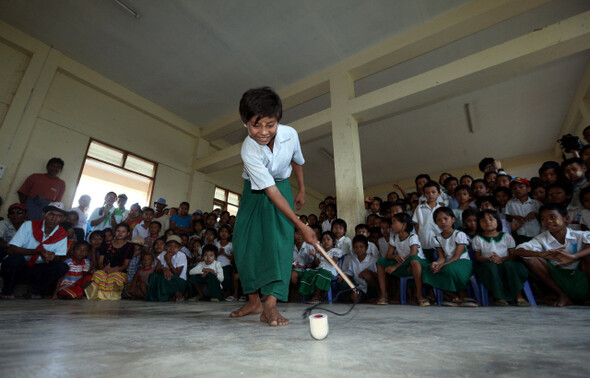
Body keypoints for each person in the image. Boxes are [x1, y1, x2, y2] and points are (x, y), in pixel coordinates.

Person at [231, 87, 317, 326]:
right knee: (243, 243)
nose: (263, 132)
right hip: (254, 190)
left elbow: (296, 160)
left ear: (278, 121)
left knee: (279, 242)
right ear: (245, 123)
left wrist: (301, 189)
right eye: (256, 125)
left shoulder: (290, 134)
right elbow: (268, 191)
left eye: (270, 124)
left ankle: (269, 305)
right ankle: (253, 300)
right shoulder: (249, 149)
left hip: (282, 186)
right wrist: (301, 226)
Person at [512, 203, 590, 306]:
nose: (548, 221)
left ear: (566, 218)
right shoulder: (541, 238)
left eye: (552, 217)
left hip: (581, 277)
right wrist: (541, 254)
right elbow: (519, 250)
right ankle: (562, 295)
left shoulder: (579, 235)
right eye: (543, 219)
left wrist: (574, 256)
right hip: (557, 278)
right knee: (530, 258)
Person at [1, 202, 69, 299]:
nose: (54, 219)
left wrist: (53, 257)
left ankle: (34, 291)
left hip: (36, 270)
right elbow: (11, 250)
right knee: (15, 259)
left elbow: (60, 257)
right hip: (18, 267)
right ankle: (7, 291)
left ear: (62, 219)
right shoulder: (29, 225)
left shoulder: (62, 234)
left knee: (62, 267)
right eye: (51, 214)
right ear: (44, 214)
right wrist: (37, 251)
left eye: (59, 216)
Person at [472, 210, 529, 306]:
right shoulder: (477, 239)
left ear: (498, 222)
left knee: (511, 266)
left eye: (491, 219)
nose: (488, 222)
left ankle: (519, 295)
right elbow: (478, 257)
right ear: (479, 224)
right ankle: (499, 297)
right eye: (483, 220)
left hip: (506, 261)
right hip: (488, 263)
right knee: (491, 268)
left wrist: (501, 259)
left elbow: (513, 255)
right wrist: (489, 259)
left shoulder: (506, 236)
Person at [422, 207, 475, 307]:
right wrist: (437, 263)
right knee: (427, 269)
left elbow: (457, 256)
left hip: (462, 262)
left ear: (453, 219)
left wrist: (443, 265)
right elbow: (441, 257)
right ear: (436, 223)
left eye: (446, 218)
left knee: (448, 269)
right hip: (448, 262)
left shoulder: (459, 235)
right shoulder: (436, 238)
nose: (443, 222)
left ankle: (461, 295)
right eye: (439, 220)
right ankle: (451, 294)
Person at [376, 212, 430, 306]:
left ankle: (420, 296)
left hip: (418, 265)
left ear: (404, 224)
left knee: (414, 260)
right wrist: (394, 256)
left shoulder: (413, 237)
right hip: (404, 264)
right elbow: (388, 255)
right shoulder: (395, 237)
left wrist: (395, 267)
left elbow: (413, 254)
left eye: (394, 222)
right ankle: (384, 296)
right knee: (380, 261)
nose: (391, 225)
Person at [85, 223, 133, 300]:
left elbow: (126, 264)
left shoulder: (130, 246)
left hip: (119, 271)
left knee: (114, 278)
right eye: (118, 231)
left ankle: (108, 297)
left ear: (128, 233)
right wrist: (104, 269)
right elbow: (100, 261)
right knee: (98, 275)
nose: (120, 233)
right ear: (114, 232)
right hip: (104, 269)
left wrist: (116, 269)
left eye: (123, 231)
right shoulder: (106, 244)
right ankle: (95, 296)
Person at [298, 231, 342, 304]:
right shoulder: (321, 252)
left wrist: (323, 254)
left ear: (333, 241)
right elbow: (318, 264)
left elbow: (334, 263)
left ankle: (316, 297)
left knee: (320, 274)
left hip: (330, 271)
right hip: (320, 269)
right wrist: (315, 256)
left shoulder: (335, 251)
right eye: (324, 240)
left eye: (328, 239)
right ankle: (306, 295)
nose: (326, 242)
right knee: (307, 273)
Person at [146, 235, 188, 302]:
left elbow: (177, 274)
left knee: (165, 277)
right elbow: (156, 270)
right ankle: (159, 297)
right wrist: (164, 269)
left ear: (179, 248)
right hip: (167, 278)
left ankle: (176, 293)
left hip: (179, 281)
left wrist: (169, 262)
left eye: (175, 247)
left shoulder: (181, 255)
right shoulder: (163, 254)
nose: (172, 248)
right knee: (153, 276)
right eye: (169, 246)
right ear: (166, 247)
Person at [341, 235, 378, 303]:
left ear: (366, 247)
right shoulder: (352, 260)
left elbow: (378, 275)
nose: (358, 249)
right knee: (355, 296)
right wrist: (343, 276)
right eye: (356, 247)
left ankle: (374, 296)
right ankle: (365, 300)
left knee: (366, 274)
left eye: (361, 247)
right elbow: (349, 272)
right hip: (359, 288)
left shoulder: (372, 260)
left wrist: (369, 274)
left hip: (372, 288)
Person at [412, 181, 442, 262]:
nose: (430, 195)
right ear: (424, 195)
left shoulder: (442, 209)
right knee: (427, 264)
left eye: (433, 192)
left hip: (439, 243)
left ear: (439, 193)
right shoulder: (419, 208)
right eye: (427, 193)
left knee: (438, 263)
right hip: (424, 242)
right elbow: (417, 225)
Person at [505, 178, 542, 245]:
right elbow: (507, 217)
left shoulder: (536, 203)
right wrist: (515, 217)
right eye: (514, 188)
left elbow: (543, 217)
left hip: (536, 234)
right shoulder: (510, 203)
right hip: (520, 234)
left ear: (528, 189)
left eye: (520, 187)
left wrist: (535, 214)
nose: (517, 189)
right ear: (512, 191)